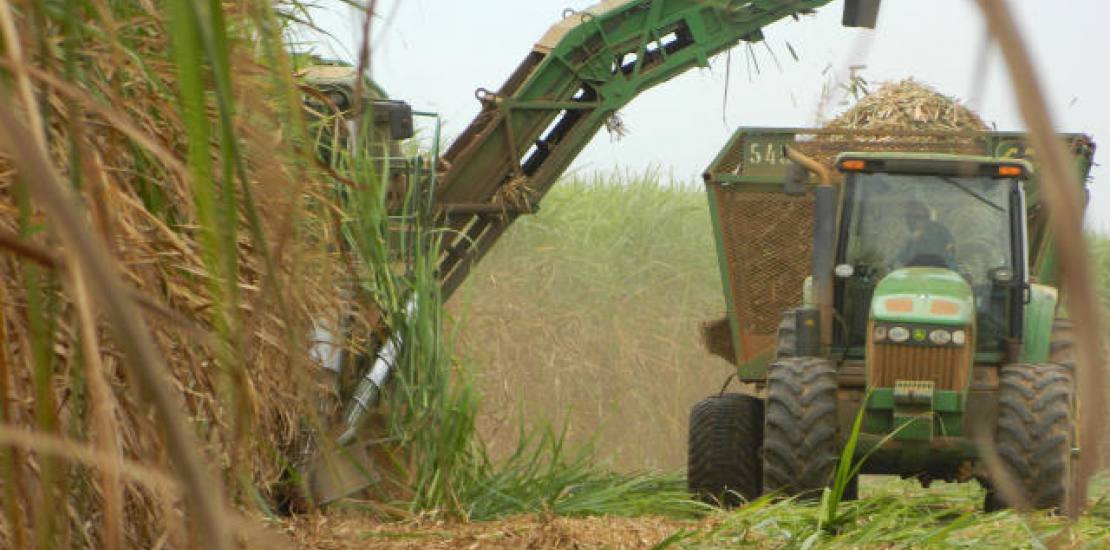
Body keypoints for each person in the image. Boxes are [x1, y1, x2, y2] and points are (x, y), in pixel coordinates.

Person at [894, 200, 955, 268]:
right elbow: (900, 259)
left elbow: (945, 259)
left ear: (927, 218)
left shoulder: (938, 233)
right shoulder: (912, 241)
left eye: (917, 217)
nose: (911, 221)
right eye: (908, 216)